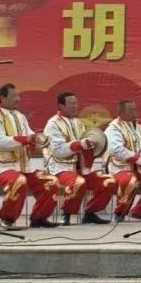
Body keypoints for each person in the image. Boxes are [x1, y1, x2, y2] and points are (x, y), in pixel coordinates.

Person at [0, 83, 59, 229]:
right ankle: (7, 220)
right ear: (2, 98)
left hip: (24, 166)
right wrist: (26, 139)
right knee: (18, 181)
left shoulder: (20, 116)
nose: (18, 99)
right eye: (14, 96)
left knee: (52, 182)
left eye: (18, 96)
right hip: (1, 167)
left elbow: (29, 134)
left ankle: (39, 218)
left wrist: (39, 139)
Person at [45, 92, 115, 226]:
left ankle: (90, 213)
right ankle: (66, 214)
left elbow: (86, 146)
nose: (75, 106)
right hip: (60, 169)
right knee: (78, 182)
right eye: (71, 104)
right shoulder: (52, 124)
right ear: (61, 106)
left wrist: (92, 144)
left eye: (76, 103)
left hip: (80, 168)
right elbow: (58, 150)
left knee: (108, 181)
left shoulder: (78, 123)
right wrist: (80, 144)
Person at [105, 100, 141, 222]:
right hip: (121, 169)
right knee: (130, 181)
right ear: (121, 113)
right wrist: (139, 159)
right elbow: (116, 150)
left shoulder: (138, 127)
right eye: (131, 110)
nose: (135, 112)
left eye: (135, 109)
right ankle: (120, 212)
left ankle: (140, 212)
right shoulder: (113, 128)